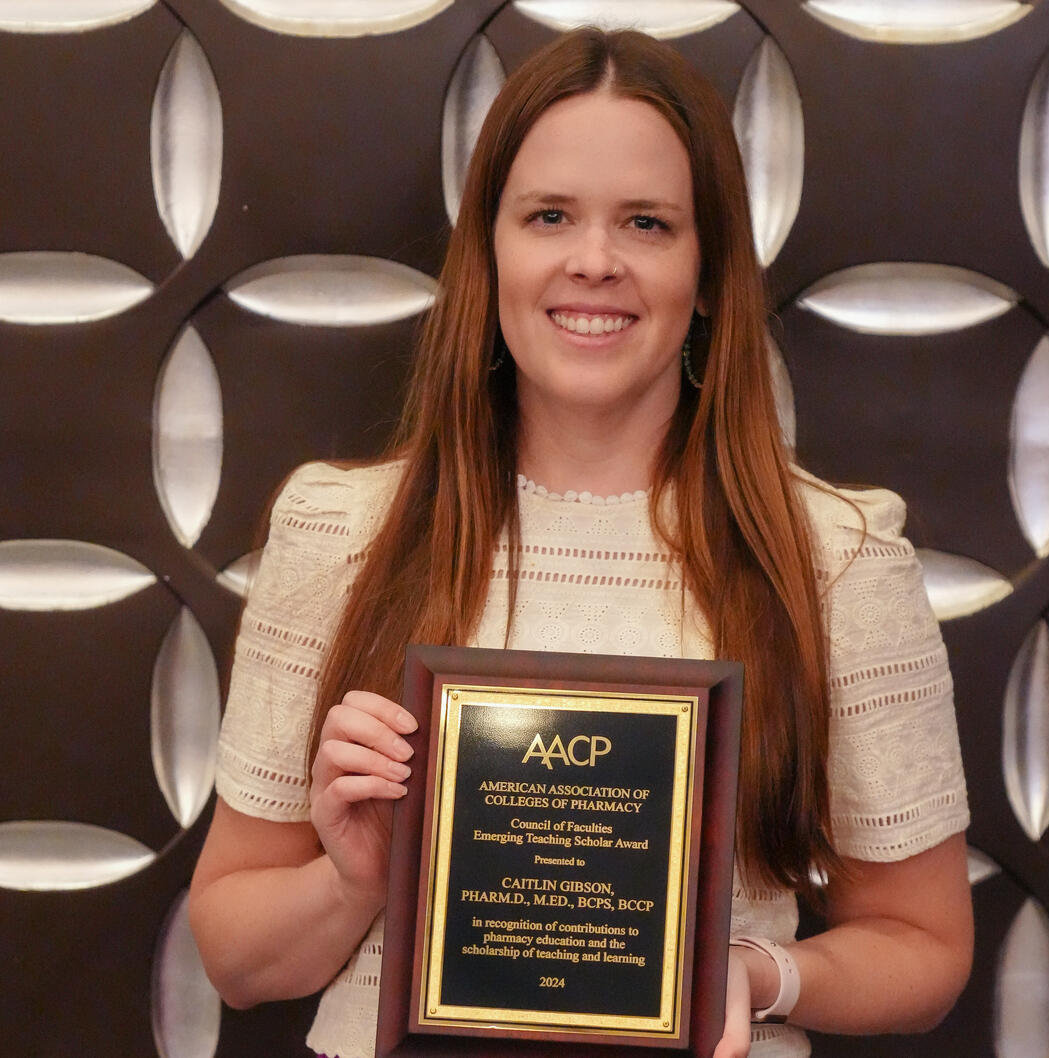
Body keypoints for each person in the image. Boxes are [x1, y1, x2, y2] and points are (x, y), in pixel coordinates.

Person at [189, 27, 973, 1058]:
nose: (592, 261)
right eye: (548, 215)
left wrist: (758, 973)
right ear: (490, 252)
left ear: (706, 273)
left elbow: (925, 949)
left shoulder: (837, 556)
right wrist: (355, 875)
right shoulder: (338, 533)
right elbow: (239, 965)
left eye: (646, 222)